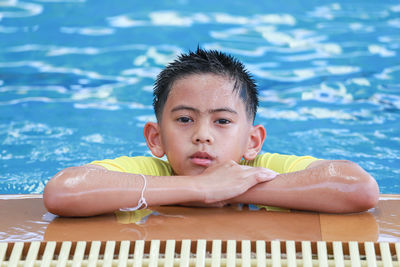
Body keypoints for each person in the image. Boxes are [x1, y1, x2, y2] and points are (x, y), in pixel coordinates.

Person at [43, 48, 379, 217]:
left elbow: (358, 188)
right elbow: (63, 192)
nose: (203, 135)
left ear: (252, 141)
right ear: (155, 139)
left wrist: (233, 190)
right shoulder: (153, 171)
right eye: (185, 119)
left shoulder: (261, 167)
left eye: (222, 121)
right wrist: (199, 187)